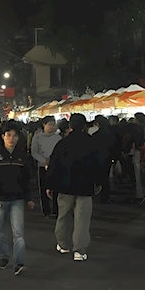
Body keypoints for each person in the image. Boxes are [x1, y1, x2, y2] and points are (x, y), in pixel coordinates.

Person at [47, 113, 105, 263]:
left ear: (70, 126)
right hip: (85, 187)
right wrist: (98, 182)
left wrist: (50, 185)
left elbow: (54, 166)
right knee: (82, 219)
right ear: (85, 125)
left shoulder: (62, 144)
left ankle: (63, 244)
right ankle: (79, 250)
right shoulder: (91, 143)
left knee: (63, 215)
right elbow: (99, 164)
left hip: (64, 186)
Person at [0, 120, 36, 275]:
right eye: (8, 135)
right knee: (1, 232)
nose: (11, 138)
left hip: (17, 199)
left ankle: (19, 262)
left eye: (14, 136)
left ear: (18, 138)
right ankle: (3, 256)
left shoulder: (22, 157)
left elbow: (27, 179)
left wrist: (29, 198)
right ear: (3, 136)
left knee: (18, 233)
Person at [30, 116, 62, 217]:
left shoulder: (58, 138)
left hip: (56, 167)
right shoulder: (37, 137)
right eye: (50, 124)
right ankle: (46, 210)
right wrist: (45, 161)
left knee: (56, 189)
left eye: (53, 124)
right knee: (43, 188)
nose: (52, 127)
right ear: (44, 125)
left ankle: (56, 210)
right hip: (42, 166)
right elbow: (34, 152)